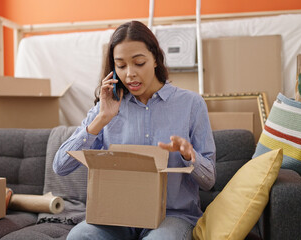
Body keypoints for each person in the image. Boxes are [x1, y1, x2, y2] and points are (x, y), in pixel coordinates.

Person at [53, 20, 216, 240]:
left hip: (172, 217)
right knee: (79, 237)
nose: (129, 74)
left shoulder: (191, 105)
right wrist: (102, 118)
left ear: (156, 59)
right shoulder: (107, 107)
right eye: (121, 66)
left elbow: (209, 182)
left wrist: (190, 156)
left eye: (139, 63)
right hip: (116, 218)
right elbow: (60, 167)